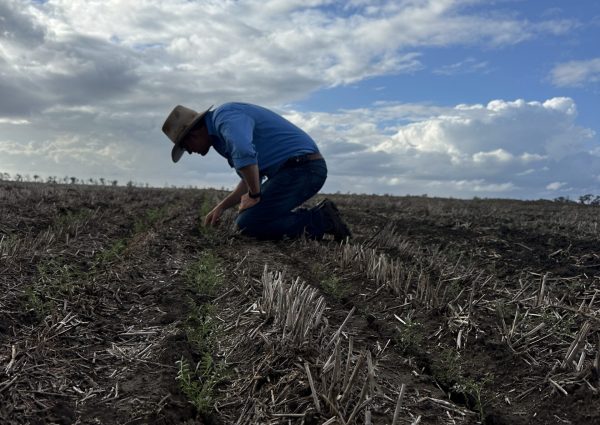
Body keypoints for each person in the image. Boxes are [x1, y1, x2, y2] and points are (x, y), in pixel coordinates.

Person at [161, 102, 351, 241]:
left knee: (248, 224)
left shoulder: (225, 116)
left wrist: (255, 194)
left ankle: (321, 220)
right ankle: (316, 217)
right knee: (249, 220)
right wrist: (221, 207)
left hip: (303, 169)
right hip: (295, 170)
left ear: (193, 133)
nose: (191, 152)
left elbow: (244, 153)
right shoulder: (219, 137)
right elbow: (249, 177)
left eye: (186, 147)